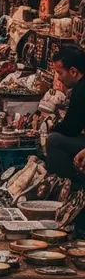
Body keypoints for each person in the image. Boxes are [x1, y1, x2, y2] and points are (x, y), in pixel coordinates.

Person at [48, 48, 85, 180]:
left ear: (73, 71)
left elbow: (71, 127)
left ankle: (65, 183)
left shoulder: (81, 90)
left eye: (60, 73)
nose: (58, 77)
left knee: (54, 140)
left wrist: (53, 129)